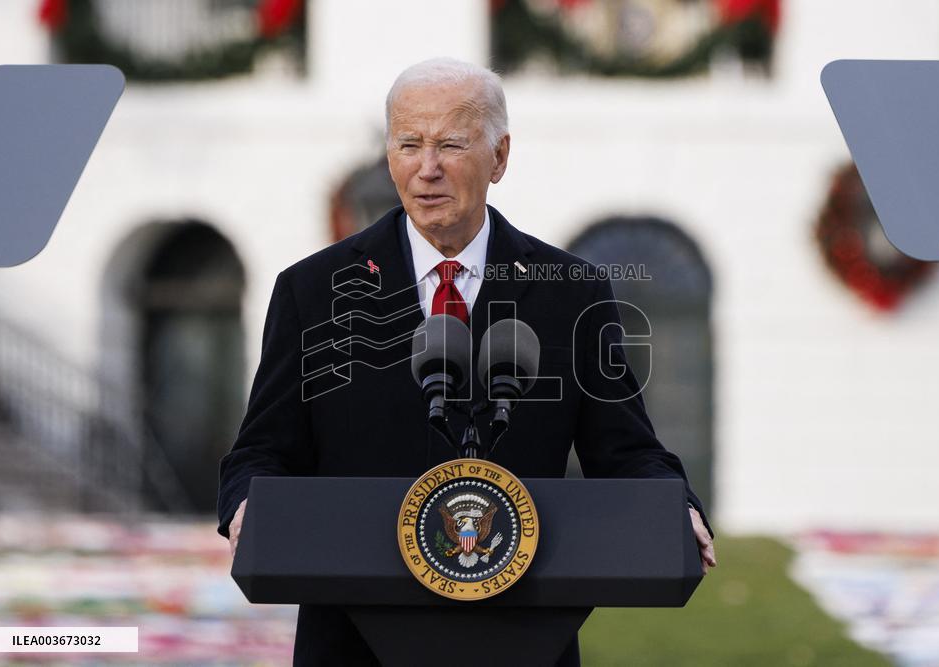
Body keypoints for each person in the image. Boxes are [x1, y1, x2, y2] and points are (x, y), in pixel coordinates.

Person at [217, 57, 716, 666]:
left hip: (524, 633)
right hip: (353, 639)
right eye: (408, 144)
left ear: (499, 157)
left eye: (451, 144)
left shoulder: (570, 291)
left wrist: (675, 507)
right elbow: (263, 449)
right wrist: (248, 504)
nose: (427, 169)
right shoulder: (314, 290)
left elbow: (628, 450)